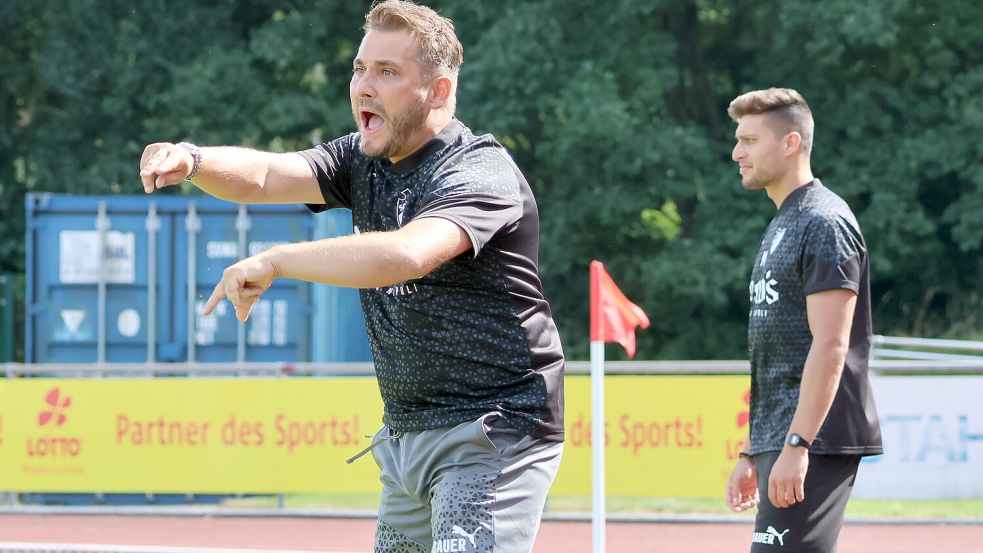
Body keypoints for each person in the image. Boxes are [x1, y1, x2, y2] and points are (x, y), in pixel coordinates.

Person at [138, 2, 564, 552]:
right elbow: (267, 173)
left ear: (436, 91)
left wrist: (278, 259)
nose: (364, 85)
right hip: (406, 435)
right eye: (360, 68)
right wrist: (194, 159)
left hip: (493, 433)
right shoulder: (361, 159)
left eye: (387, 72)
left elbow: (407, 254)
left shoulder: (477, 169)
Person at [723, 88, 883, 553]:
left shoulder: (824, 221)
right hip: (784, 435)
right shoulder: (782, 224)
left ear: (790, 143)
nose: (737, 152)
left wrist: (797, 444)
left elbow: (832, 345)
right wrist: (751, 449)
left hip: (816, 437)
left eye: (750, 140)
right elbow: (777, 350)